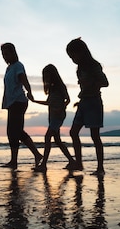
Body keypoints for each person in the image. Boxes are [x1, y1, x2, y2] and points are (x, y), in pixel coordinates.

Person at [66, 37, 109, 176]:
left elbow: (105, 82)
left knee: (95, 136)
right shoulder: (79, 68)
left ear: (82, 52)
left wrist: (92, 86)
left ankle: (100, 168)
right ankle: (79, 163)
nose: (72, 59)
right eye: (70, 57)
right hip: (84, 102)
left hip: (94, 103)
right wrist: (81, 99)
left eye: (73, 55)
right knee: (73, 132)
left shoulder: (94, 66)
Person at [0, 42, 42, 170]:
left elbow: (24, 80)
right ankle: (34, 155)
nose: (5, 56)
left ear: (13, 53)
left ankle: (16, 161)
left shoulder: (18, 66)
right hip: (11, 102)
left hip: (19, 102)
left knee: (15, 131)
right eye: (3, 54)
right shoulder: (9, 68)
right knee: (13, 132)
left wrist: (30, 92)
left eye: (7, 53)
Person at [30, 64, 77, 172]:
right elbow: (48, 103)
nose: (46, 77)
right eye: (45, 75)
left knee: (47, 137)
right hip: (52, 116)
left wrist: (60, 108)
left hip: (58, 116)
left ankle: (44, 164)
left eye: (47, 75)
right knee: (57, 140)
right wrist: (34, 101)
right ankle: (71, 161)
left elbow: (68, 100)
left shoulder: (60, 86)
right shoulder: (51, 88)